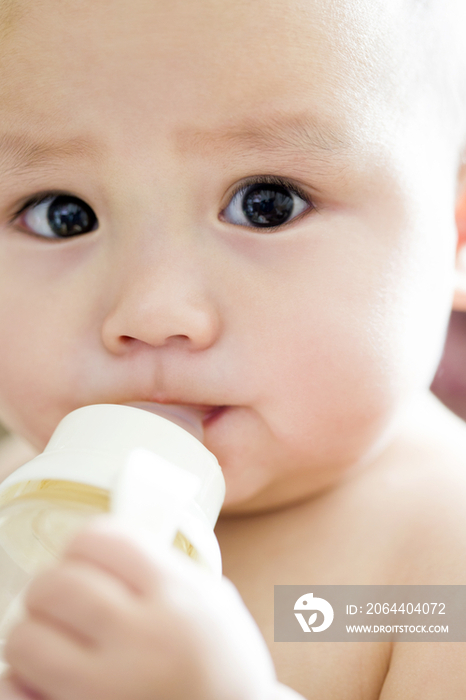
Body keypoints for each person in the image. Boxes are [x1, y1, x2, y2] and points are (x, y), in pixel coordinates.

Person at [0, 0, 466, 697]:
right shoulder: (24, 490)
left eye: (266, 203)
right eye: (62, 215)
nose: (153, 313)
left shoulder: (432, 571)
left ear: (455, 238)